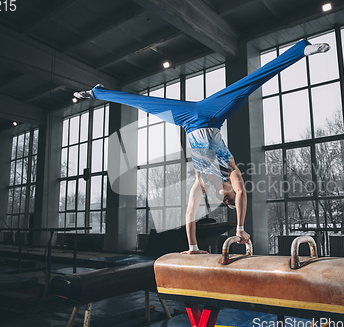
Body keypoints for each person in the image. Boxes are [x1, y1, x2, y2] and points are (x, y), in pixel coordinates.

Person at [73, 39, 330, 254]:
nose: (222, 197)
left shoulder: (203, 181)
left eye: (224, 198)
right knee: (244, 87)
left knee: (144, 103)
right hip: (211, 116)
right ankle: (97, 92)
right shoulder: (232, 174)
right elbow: (242, 195)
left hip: (188, 121)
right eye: (226, 198)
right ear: (230, 193)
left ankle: (300, 50)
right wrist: (240, 227)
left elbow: (188, 213)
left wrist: (193, 245)